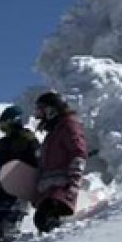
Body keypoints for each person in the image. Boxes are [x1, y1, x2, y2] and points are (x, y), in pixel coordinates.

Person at [32, 92, 88, 233]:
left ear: (51, 110)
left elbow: (78, 152)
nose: (39, 115)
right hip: (49, 191)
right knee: (42, 221)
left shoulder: (68, 126)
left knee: (45, 220)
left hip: (62, 189)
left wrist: (74, 182)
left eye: (42, 110)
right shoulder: (53, 133)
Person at [0, 105, 39, 242]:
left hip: (16, 192)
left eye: (4, 125)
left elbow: (36, 163)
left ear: (14, 121)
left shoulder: (27, 139)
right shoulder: (3, 143)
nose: (2, 129)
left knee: (8, 228)